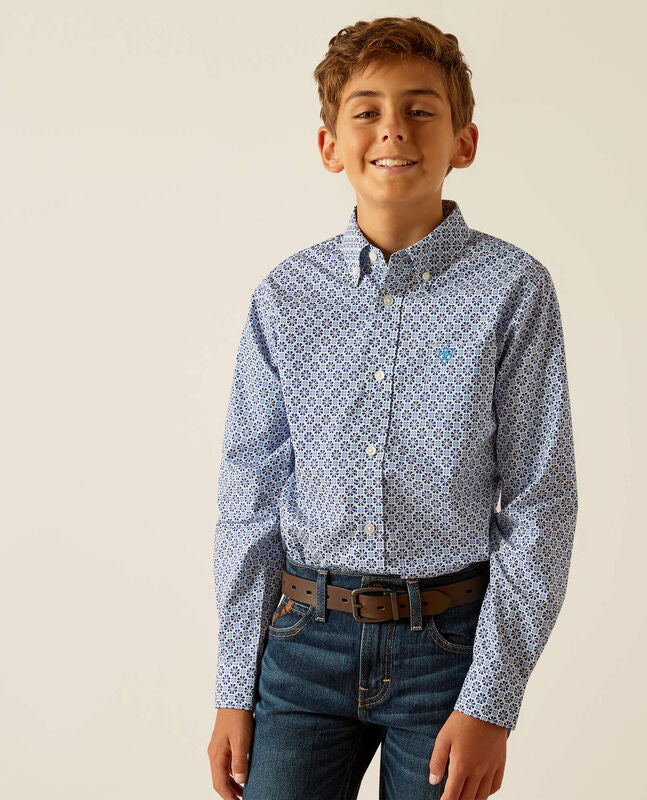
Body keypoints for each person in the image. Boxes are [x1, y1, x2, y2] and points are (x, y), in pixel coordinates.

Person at [207, 15, 578, 800]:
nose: (393, 130)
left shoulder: (513, 291)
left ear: (463, 141)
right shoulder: (285, 298)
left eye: (420, 108)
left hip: (446, 649)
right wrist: (235, 686)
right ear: (330, 145)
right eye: (366, 110)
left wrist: (492, 701)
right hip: (302, 645)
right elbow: (249, 498)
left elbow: (542, 500)